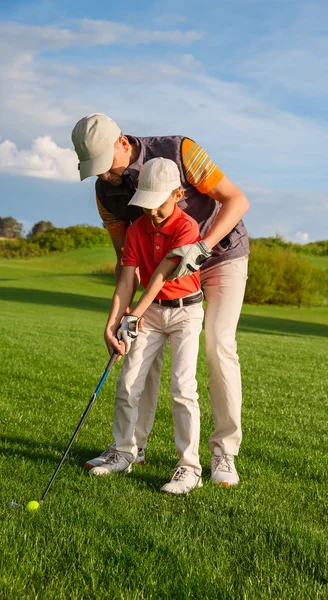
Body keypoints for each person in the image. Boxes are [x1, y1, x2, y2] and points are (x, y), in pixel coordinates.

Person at [72, 113, 249, 486]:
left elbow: (236, 200)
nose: (104, 175)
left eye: (106, 165)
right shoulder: (107, 192)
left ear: (122, 142)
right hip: (160, 278)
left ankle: (223, 454)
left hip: (220, 254)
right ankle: (131, 448)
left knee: (219, 345)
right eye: (96, 170)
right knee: (140, 360)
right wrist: (118, 321)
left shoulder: (180, 151)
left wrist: (201, 246)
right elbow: (129, 266)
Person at [92, 157, 204, 495]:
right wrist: (112, 323)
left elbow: (160, 275)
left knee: (183, 388)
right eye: (147, 204)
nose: (152, 211)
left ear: (178, 194)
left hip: (186, 312)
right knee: (129, 384)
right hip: (151, 312)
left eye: (159, 204)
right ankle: (126, 452)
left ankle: (189, 467)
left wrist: (133, 315)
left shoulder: (188, 227)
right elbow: (127, 278)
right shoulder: (137, 228)